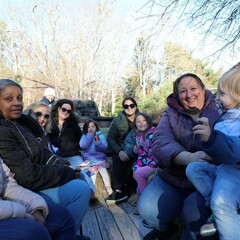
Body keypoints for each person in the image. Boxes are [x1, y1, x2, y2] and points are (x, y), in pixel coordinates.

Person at [0, 79, 90, 239]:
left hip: (30, 183)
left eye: (19, 98)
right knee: (80, 189)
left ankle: (68, 233)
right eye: (9, 99)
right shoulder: (4, 131)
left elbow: (43, 154)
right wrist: (65, 173)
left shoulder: (18, 124)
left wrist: (63, 165)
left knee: (81, 177)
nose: (17, 103)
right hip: (27, 186)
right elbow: (27, 176)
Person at [137, 73, 221, 240]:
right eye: (183, 91)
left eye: (193, 89)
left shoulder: (218, 108)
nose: (189, 95)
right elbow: (160, 141)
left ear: (203, 90)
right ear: (177, 95)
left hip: (206, 182)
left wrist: (211, 143)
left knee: (193, 210)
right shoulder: (171, 112)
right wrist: (187, 158)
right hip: (174, 179)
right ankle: (168, 228)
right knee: (147, 209)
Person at [186, 67, 240, 239]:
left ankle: (221, 210)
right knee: (194, 169)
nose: (217, 97)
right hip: (223, 166)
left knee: (221, 203)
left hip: (235, 170)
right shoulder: (228, 115)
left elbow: (234, 150)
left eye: (222, 93)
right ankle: (213, 209)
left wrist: (211, 139)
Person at [0, 156, 76, 240]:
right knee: (35, 232)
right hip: (9, 211)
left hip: (11, 209)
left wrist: (35, 207)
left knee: (61, 216)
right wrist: (23, 212)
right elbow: (28, 175)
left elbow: (7, 184)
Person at [48, 99, 96, 200]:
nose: (66, 112)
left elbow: (81, 140)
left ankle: (91, 191)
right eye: (64, 109)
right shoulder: (49, 122)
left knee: (83, 170)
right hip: (55, 155)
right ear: (58, 108)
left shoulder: (73, 124)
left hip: (72, 154)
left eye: (69, 111)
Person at [106, 97, 139, 204]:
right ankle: (118, 190)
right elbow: (110, 138)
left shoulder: (141, 118)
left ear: (135, 106)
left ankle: (135, 189)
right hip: (122, 149)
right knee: (117, 159)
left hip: (139, 148)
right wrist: (119, 151)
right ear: (123, 108)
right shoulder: (117, 120)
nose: (129, 108)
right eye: (126, 106)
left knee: (140, 160)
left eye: (131, 105)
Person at [129, 112, 156, 214]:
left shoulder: (154, 133)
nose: (141, 123)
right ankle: (140, 196)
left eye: (144, 120)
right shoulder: (139, 136)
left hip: (156, 162)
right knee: (135, 170)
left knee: (139, 173)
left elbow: (156, 153)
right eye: (138, 121)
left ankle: (145, 202)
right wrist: (137, 149)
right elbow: (142, 154)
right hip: (146, 161)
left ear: (148, 121)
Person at [80, 119, 113, 196]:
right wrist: (89, 136)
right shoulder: (84, 136)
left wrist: (98, 143)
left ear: (96, 128)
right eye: (88, 127)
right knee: (92, 175)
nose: (91, 128)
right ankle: (92, 191)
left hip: (99, 160)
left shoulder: (100, 136)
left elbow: (104, 147)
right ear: (86, 128)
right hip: (89, 161)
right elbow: (83, 145)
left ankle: (109, 188)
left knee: (104, 172)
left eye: (92, 126)